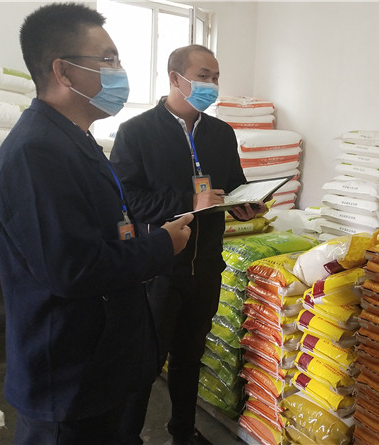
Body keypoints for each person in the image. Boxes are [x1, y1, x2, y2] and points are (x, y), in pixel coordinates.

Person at [0, 3, 194, 445]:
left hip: (101, 368)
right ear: (63, 71)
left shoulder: (75, 140)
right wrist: (161, 245)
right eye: (108, 59)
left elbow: (104, 234)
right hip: (67, 380)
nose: (120, 71)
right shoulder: (36, 153)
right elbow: (73, 268)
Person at [110, 44, 261, 445]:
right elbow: (127, 199)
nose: (212, 84)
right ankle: (127, 437)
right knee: (146, 361)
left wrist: (245, 204)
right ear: (175, 78)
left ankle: (183, 432)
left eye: (216, 77)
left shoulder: (221, 133)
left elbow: (233, 184)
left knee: (190, 357)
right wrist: (188, 202)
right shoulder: (137, 132)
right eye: (203, 76)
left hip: (206, 266)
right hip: (160, 268)